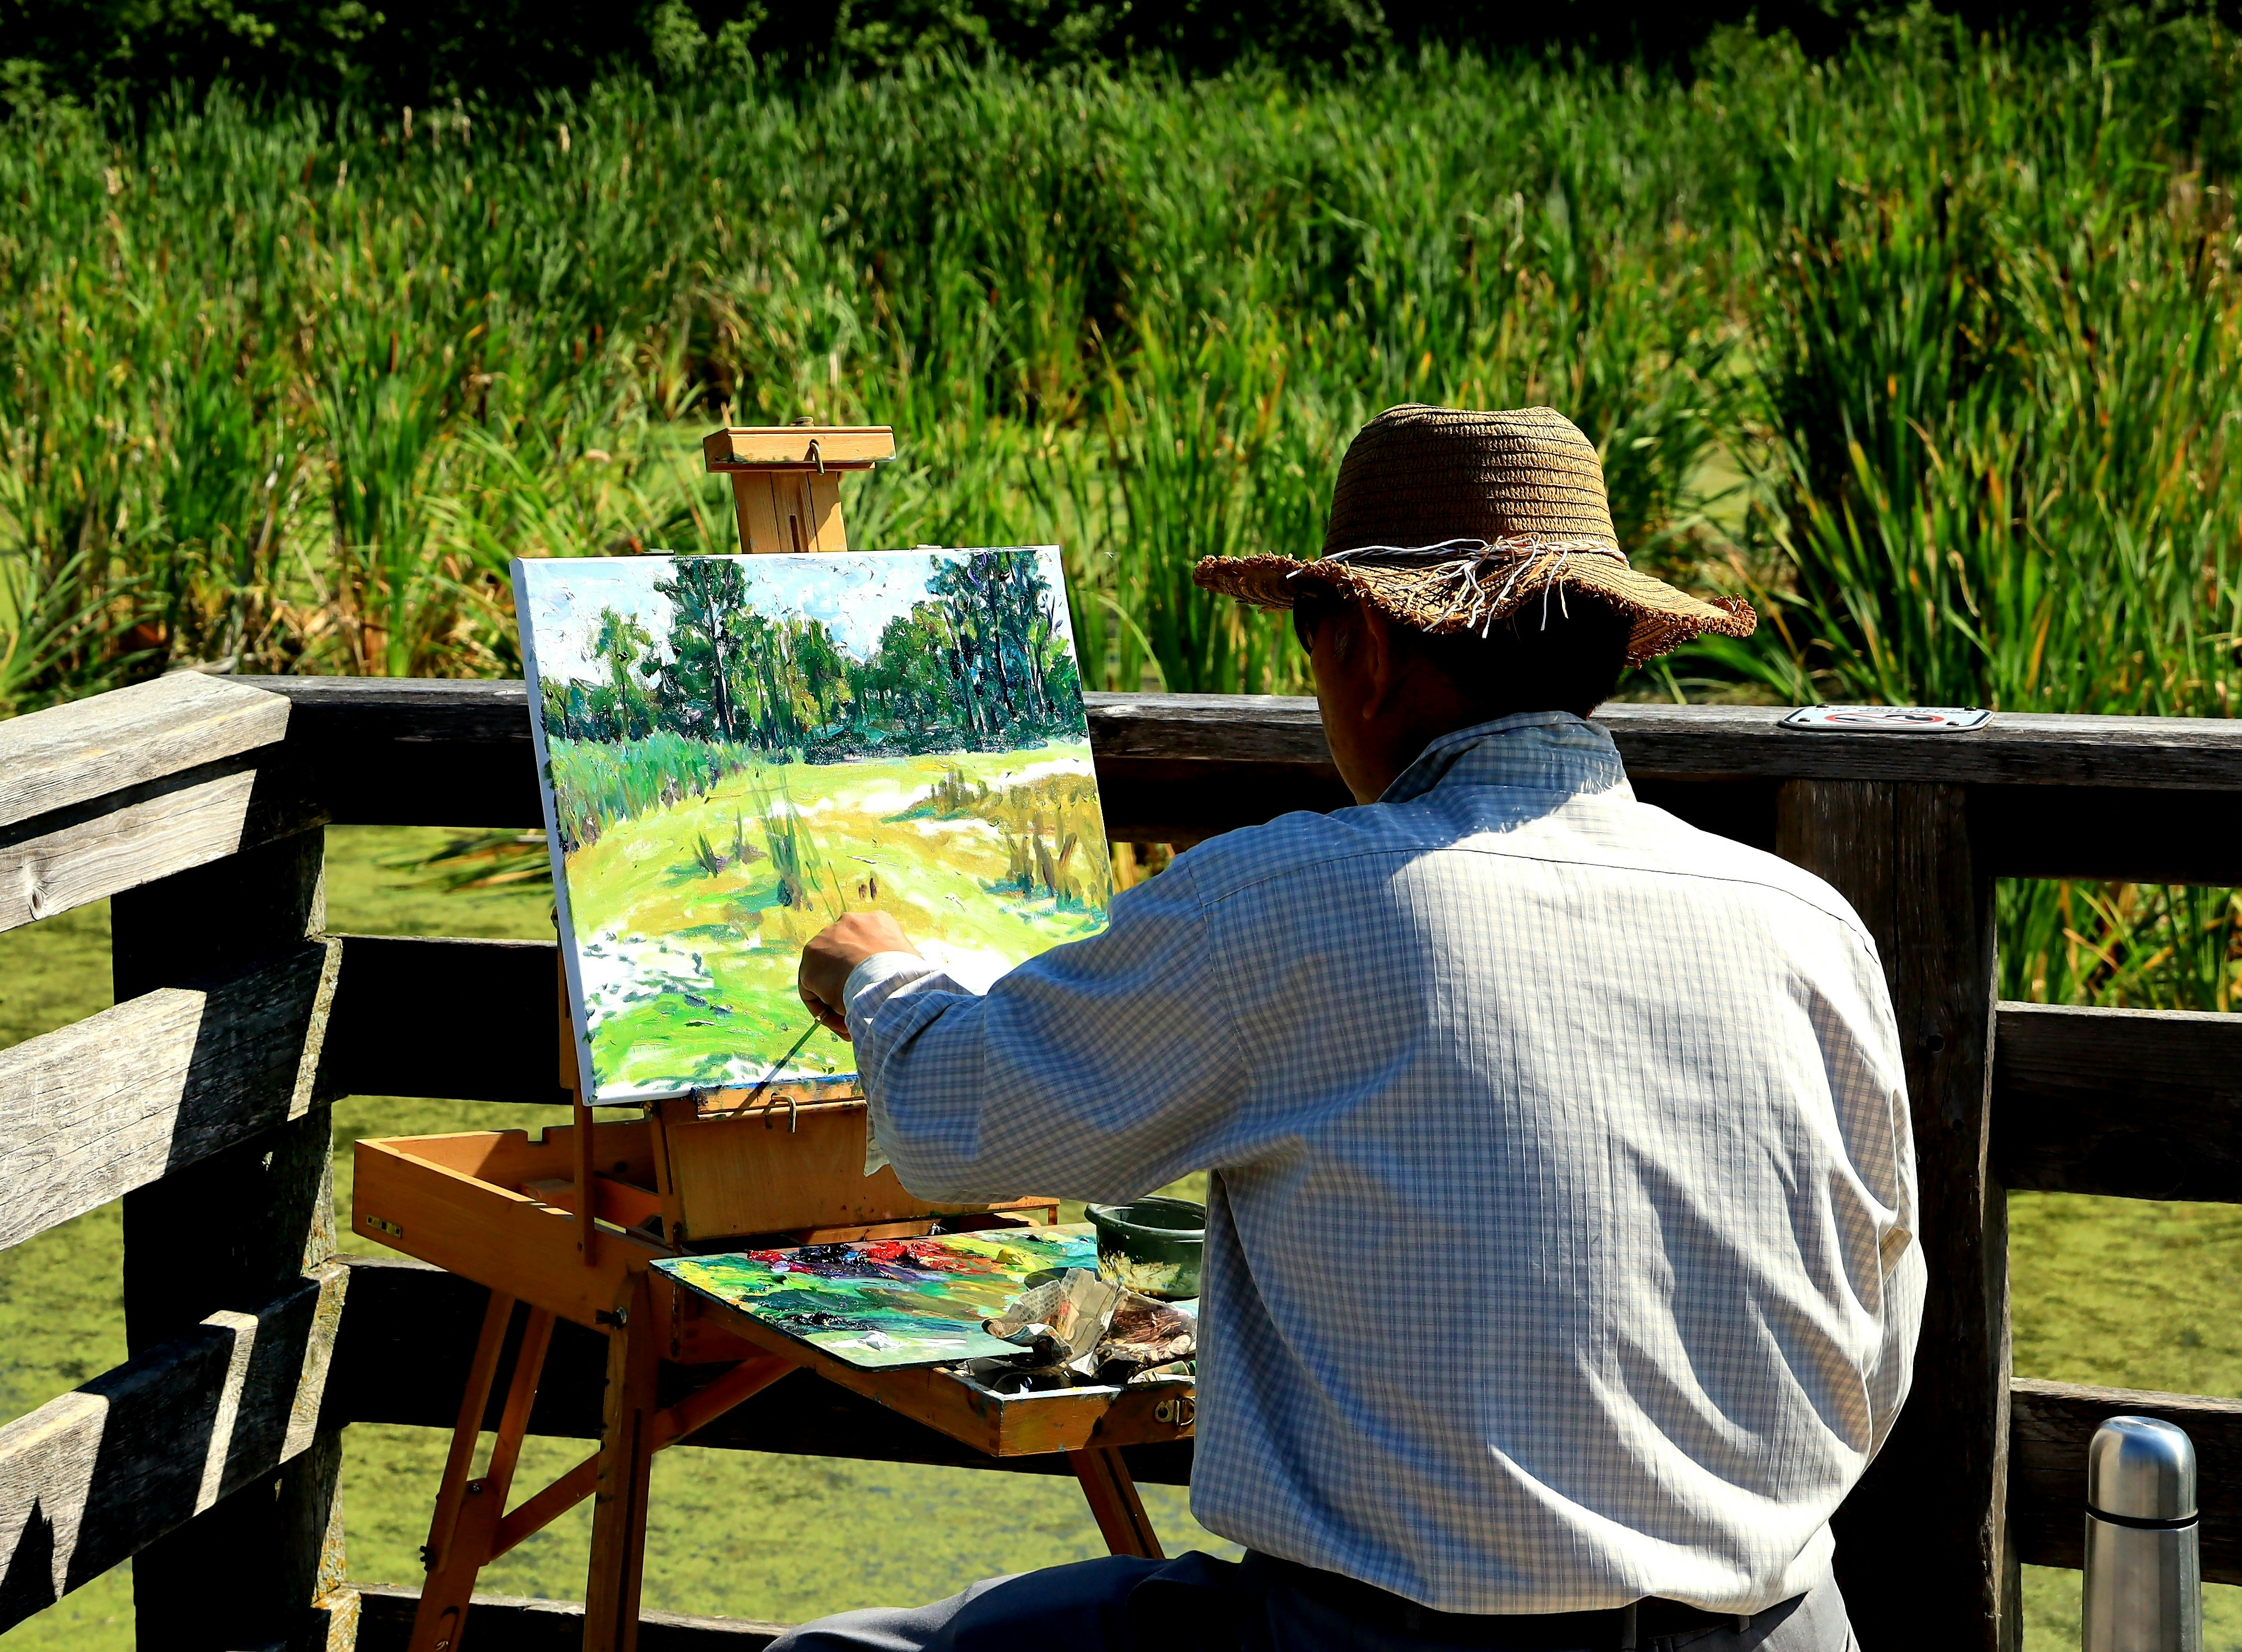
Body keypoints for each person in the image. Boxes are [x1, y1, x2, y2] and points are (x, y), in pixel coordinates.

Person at [782, 404, 1921, 1652]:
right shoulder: (1807, 924)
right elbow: (1880, 1338)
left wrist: (879, 980)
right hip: (1789, 1628)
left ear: (1367, 647)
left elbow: (963, 1117)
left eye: (1312, 640)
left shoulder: (1300, 899)